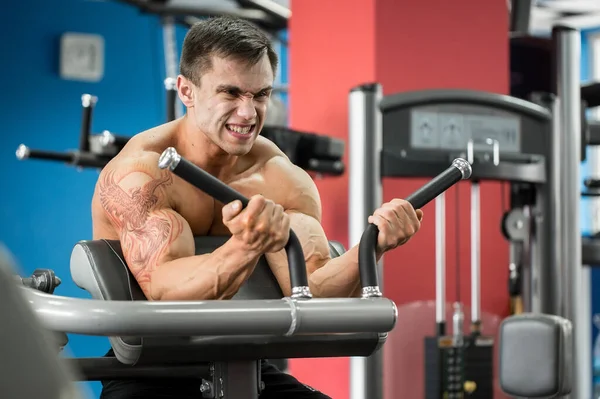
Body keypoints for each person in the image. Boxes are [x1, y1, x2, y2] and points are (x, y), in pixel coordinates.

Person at [91, 16, 423, 399]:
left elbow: (311, 290)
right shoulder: (142, 174)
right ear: (187, 90)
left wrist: (374, 245)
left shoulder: (280, 176)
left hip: (249, 363)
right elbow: (166, 293)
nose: (248, 114)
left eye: (261, 95)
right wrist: (244, 247)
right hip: (151, 370)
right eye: (230, 93)